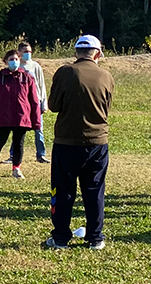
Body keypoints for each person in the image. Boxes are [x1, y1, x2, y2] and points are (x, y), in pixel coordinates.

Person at [44, 36, 114, 250]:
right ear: (98, 53)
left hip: (67, 141)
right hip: (98, 141)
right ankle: (95, 237)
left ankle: (61, 237)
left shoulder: (65, 72)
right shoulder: (107, 76)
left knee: (63, 190)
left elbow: (54, 105)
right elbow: (107, 107)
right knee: (94, 191)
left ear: (76, 53)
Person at [0, 50, 40, 178]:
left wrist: (36, 121)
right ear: (5, 61)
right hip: (3, 117)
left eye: (16, 59)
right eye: (11, 59)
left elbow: (34, 101)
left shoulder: (27, 78)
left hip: (22, 117)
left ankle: (16, 169)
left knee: (19, 144)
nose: (14, 61)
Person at [16, 42, 49, 163]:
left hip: (36, 101)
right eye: (25, 52)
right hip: (22, 102)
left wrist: (44, 103)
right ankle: (13, 155)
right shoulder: (16, 66)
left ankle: (41, 155)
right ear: (19, 53)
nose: (28, 54)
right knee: (18, 129)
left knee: (38, 129)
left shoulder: (36, 66)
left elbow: (41, 85)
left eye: (29, 51)